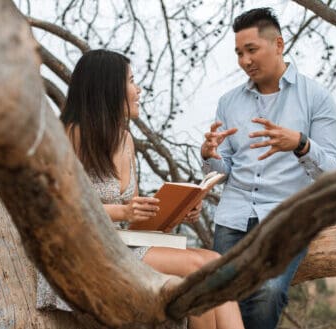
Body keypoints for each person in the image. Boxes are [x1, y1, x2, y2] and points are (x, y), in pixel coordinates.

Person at [36, 49, 244, 329]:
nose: (139, 90)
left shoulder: (124, 140)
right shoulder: (65, 136)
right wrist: (121, 210)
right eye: (132, 81)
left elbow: (134, 221)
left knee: (217, 264)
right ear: (109, 88)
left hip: (121, 246)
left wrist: (177, 211)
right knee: (200, 270)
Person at [200, 8, 336, 329]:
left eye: (251, 50)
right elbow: (224, 169)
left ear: (278, 44)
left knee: (268, 291)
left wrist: (301, 144)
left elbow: (333, 174)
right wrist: (209, 154)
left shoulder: (317, 98)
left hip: (287, 219)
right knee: (221, 294)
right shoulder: (228, 102)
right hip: (234, 219)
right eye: (238, 53)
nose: (244, 60)